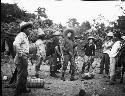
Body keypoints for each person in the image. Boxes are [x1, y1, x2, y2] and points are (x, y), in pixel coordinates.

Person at [13, 21, 33, 96]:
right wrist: (20, 54)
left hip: (24, 56)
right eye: (29, 29)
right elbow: (15, 44)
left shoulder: (25, 37)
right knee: (21, 74)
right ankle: (18, 91)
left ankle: (23, 88)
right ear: (24, 29)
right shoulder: (21, 35)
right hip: (21, 57)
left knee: (24, 73)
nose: (30, 30)